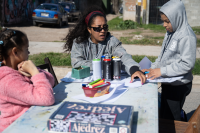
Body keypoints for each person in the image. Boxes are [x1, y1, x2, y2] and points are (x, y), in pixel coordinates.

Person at [142, 0, 196, 121]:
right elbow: (163, 56)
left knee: (171, 118)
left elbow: (187, 64)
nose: (164, 25)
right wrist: (153, 68)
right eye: (163, 21)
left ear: (178, 17)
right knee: (165, 112)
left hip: (179, 85)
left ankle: (179, 122)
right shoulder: (170, 32)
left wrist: (161, 71)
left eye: (167, 21)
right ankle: (179, 117)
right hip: (168, 80)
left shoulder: (187, 36)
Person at [63, 6, 146, 84]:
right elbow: (77, 63)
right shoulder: (79, 43)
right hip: (85, 84)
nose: (102, 31)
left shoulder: (111, 41)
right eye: (98, 28)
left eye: (105, 27)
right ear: (89, 29)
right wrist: (106, 64)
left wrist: (134, 69)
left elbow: (123, 56)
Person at [0, 28, 55, 132]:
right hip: (15, 128)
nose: (29, 52)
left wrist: (33, 73)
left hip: (29, 123)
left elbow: (51, 81)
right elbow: (47, 98)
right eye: (26, 49)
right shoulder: (8, 81)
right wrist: (34, 72)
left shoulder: (18, 70)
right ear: (15, 51)